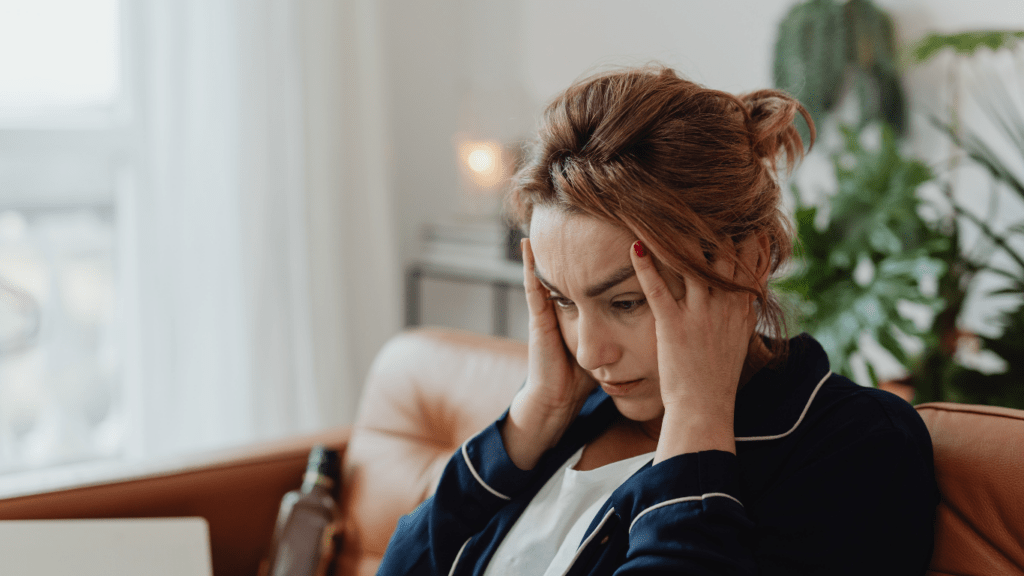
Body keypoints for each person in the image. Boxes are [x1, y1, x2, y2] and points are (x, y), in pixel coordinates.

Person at [377, 66, 937, 576]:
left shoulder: (854, 447)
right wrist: (533, 416)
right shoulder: (571, 418)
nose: (591, 353)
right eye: (564, 301)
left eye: (625, 302)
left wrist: (698, 419)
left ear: (752, 259)